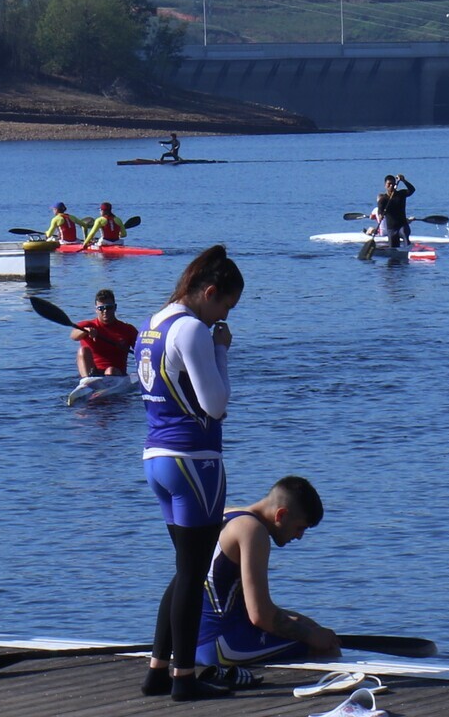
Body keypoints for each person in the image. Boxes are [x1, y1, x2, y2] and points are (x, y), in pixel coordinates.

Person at [136, 245, 244, 702]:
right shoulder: (194, 331)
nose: (223, 318)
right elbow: (215, 405)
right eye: (225, 307)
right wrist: (221, 351)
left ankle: (158, 671)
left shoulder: (152, 324)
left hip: (156, 459)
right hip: (195, 461)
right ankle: (184, 679)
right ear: (210, 292)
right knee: (194, 572)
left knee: (185, 569)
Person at [195, 477, 338, 685]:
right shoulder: (253, 531)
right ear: (281, 514)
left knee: (307, 625)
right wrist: (312, 637)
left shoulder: (225, 513)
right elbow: (259, 615)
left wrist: (306, 626)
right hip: (220, 648)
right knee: (327, 648)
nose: (299, 537)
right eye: (300, 528)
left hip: (191, 642)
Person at [74, 289, 138, 379]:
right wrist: (85, 331)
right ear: (96, 309)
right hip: (93, 373)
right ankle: (86, 382)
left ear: (115, 307)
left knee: (110, 371)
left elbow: (143, 351)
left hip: (116, 375)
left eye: (108, 307)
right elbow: (73, 335)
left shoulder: (128, 329)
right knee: (82, 350)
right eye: (101, 308)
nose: (105, 311)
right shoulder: (88, 325)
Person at [371, 175, 415, 248]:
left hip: (402, 225)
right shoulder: (383, 199)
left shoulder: (401, 194)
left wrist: (404, 180)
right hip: (391, 229)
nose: (391, 186)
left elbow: (412, 190)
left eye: (393, 184)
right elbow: (380, 211)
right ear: (385, 185)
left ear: (395, 185)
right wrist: (380, 216)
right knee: (393, 248)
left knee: (404, 232)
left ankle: (408, 249)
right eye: (389, 184)